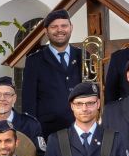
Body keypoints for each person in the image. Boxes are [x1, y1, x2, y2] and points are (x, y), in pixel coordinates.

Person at [22, 9, 83, 138]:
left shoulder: (84, 56)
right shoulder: (34, 61)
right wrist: (33, 133)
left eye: (64, 26)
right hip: (47, 132)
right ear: (46, 31)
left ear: (71, 28)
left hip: (81, 128)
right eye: (54, 27)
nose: (59, 30)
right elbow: (29, 101)